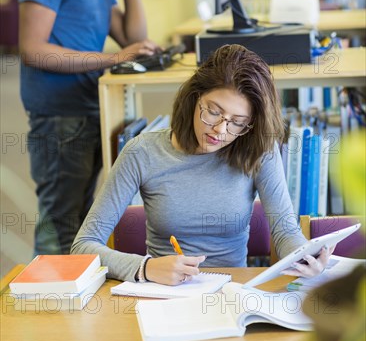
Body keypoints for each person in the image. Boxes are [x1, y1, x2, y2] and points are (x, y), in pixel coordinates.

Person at [71, 44, 332, 284]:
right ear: (195, 97)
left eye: (237, 122)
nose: (220, 129)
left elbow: (285, 231)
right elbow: (83, 245)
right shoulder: (141, 152)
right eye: (214, 111)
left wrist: (304, 256)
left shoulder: (259, 149)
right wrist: (145, 268)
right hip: (164, 294)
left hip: (232, 293)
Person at [19, 0, 158, 255]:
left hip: (90, 110)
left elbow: (131, 37)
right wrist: (114, 58)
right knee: (60, 227)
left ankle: (64, 307)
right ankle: (43, 309)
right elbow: (33, 49)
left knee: (81, 226)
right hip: (59, 118)